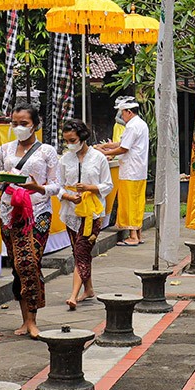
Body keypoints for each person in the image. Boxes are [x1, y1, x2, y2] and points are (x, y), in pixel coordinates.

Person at [0, 104, 60, 338]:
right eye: (15, 123)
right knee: (17, 265)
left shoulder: (47, 152)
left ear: (35, 124)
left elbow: (56, 185)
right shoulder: (4, 149)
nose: (18, 127)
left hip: (37, 210)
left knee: (30, 262)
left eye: (24, 123)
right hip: (9, 210)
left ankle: (33, 319)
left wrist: (38, 187)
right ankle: (24, 319)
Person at [59, 119, 113, 310]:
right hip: (71, 211)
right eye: (66, 141)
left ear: (82, 137)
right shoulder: (65, 159)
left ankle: (73, 295)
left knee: (81, 251)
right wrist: (68, 195)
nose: (69, 144)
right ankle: (88, 289)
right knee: (78, 251)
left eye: (72, 140)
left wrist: (90, 187)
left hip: (94, 212)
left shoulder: (98, 158)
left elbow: (108, 184)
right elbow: (57, 186)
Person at [96, 96, 149, 246]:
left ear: (129, 112)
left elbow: (124, 148)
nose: (121, 116)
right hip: (139, 169)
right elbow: (123, 143)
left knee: (129, 202)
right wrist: (107, 147)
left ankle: (132, 236)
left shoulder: (132, 126)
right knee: (137, 201)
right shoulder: (141, 124)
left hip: (131, 170)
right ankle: (137, 233)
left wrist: (104, 153)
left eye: (122, 113)